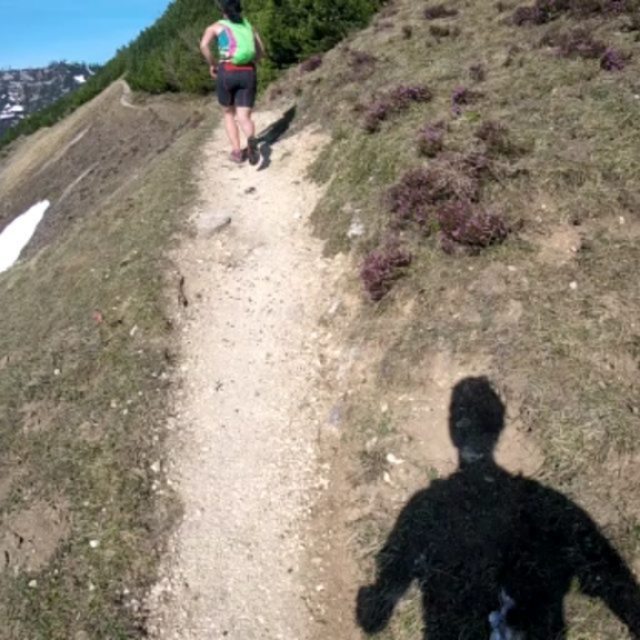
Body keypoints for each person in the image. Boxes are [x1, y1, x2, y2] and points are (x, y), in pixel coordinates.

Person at [357, 377, 640, 639]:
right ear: (499, 427)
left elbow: (376, 611)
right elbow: (609, 574)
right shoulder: (547, 505)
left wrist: (379, 601)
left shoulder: (427, 507)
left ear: (453, 432)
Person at [200, 0, 265, 165]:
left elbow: (204, 46)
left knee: (228, 113)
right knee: (244, 116)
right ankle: (251, 140)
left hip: (227, 70)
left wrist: (213, 64)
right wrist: (252, 62)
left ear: (223, 11)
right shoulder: (249, 27)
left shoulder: (216, 27)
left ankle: (237, 152)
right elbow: (261, 52)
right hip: (248, 71)